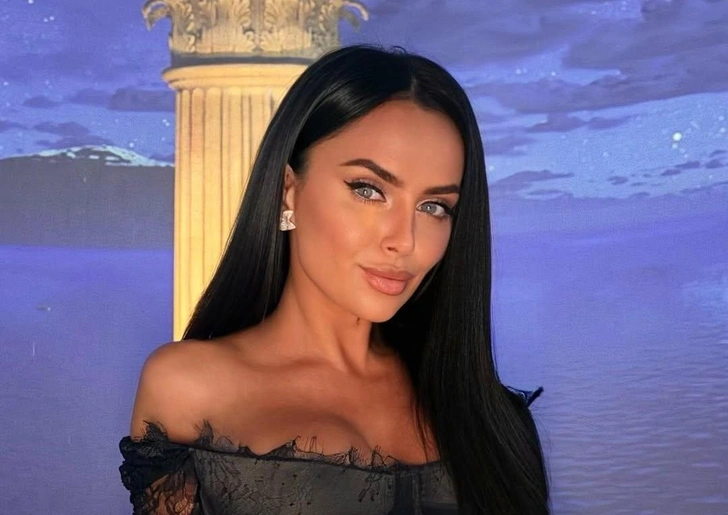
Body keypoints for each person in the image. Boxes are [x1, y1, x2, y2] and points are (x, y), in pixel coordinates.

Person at [119, 45, 550, 514]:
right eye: (369, 190)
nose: (404, 240)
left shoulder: (492, 419)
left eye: (434, 207)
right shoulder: (187, 388)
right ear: (289, 189)